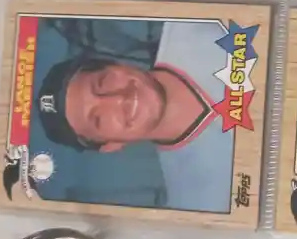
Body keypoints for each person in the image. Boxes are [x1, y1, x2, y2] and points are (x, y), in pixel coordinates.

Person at [34, 20, 238, 212]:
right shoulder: (200, 204)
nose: (118, 99)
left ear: (116, 64)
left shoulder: (198, 22)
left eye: (102, 83)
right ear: (110, 145)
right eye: (99, 119)